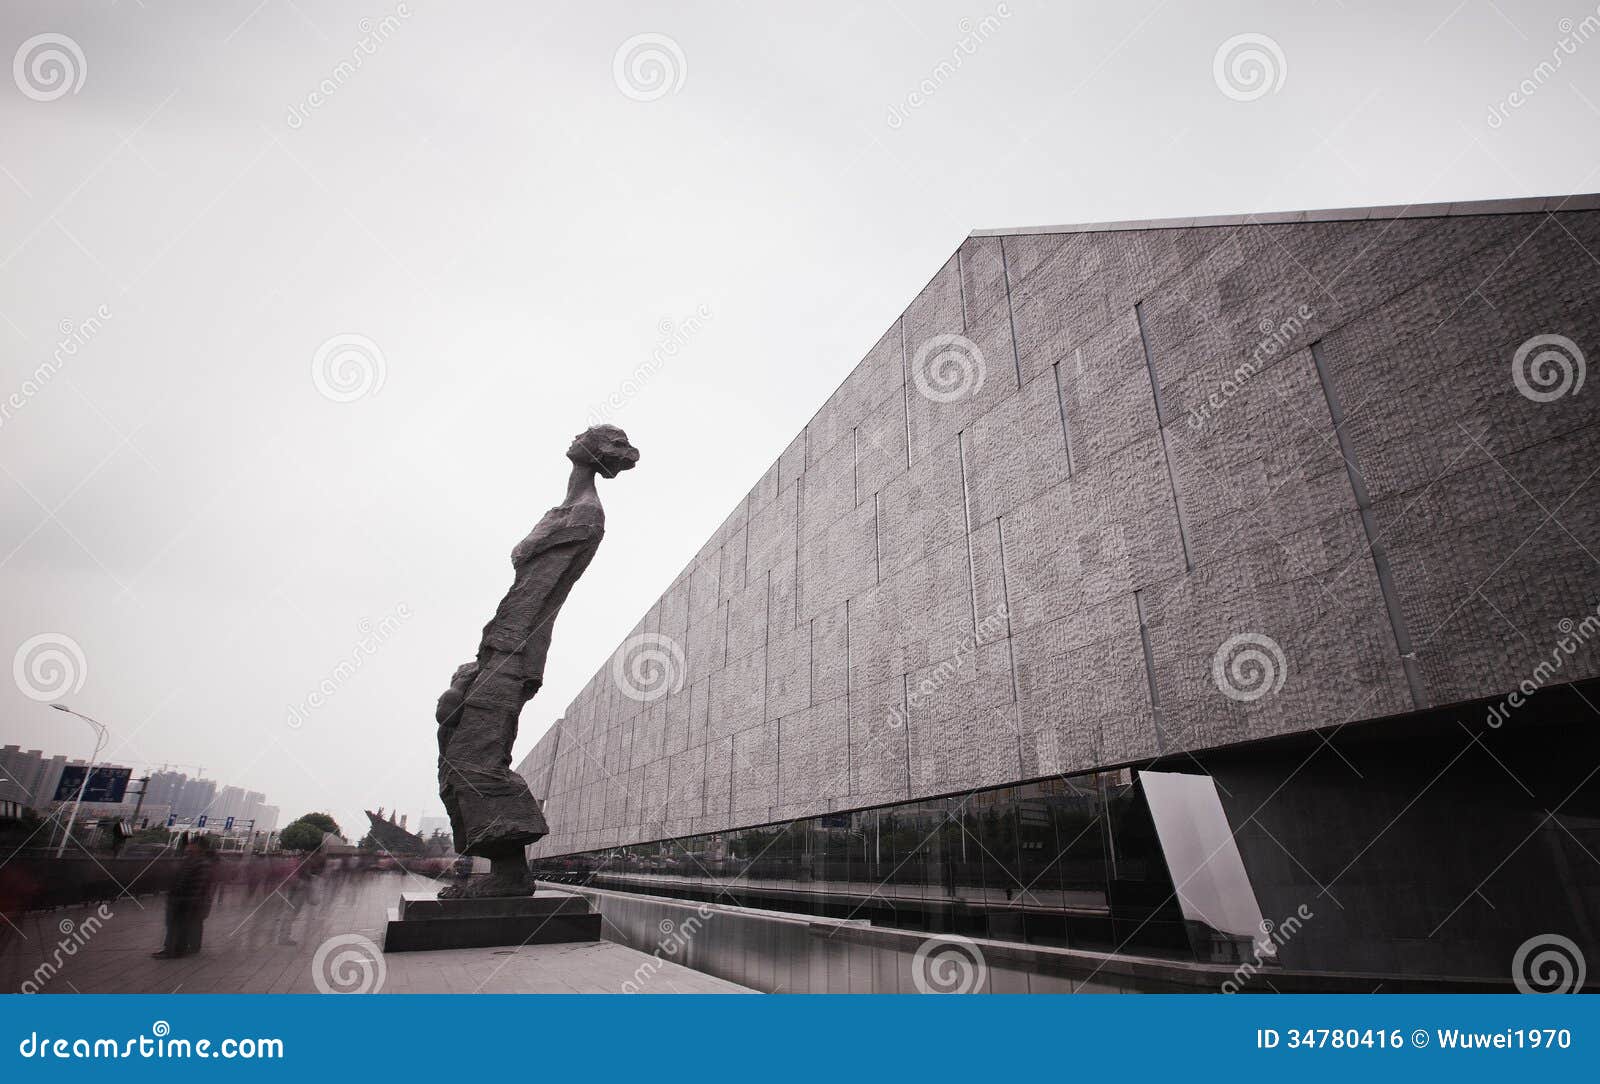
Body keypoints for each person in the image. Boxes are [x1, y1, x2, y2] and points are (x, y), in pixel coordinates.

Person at [152, 836, 217, 958]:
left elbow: (198, 884)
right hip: (181, 898)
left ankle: (174, 950)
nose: (189, 846)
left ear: (199, 847)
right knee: (176, 924)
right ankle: (174, 948)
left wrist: (189, 900)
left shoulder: (203, 863)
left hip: (189, 900)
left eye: (193, 844)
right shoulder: (189, 860)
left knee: (179, 925)